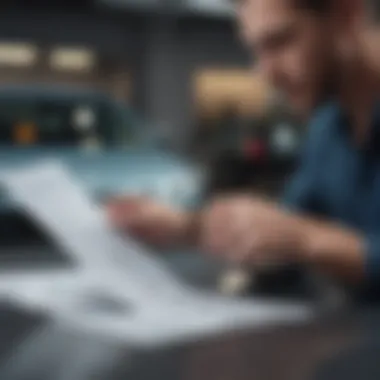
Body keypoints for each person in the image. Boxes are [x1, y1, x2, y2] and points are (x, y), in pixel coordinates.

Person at [107, 0, 380, 297]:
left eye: (281, 41)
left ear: (347, 14)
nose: (266, 74)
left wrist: (305, 240)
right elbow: (287, 230)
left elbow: (301, 235)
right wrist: (185, 227)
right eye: (257, 51)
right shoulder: (327, 128)